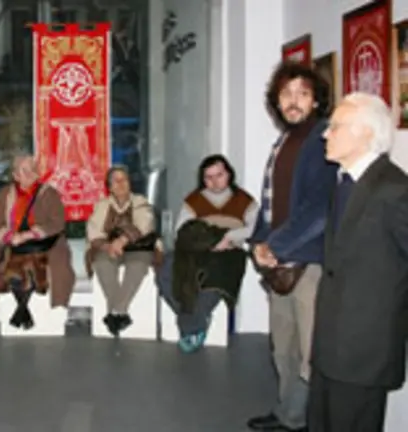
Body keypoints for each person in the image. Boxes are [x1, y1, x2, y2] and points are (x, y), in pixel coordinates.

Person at [308, 93, 408, 431]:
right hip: (331, 344)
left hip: (365, 349)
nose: (326, 134)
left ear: (365, 133)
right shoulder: (345, 182)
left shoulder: (394, 189)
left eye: (335, 127)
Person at [246, 61, 337, 432]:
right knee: (282, 346)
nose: (293, 101)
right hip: (279, 262)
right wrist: (258, 243)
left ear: (316, 100)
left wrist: (275, 245)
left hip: (309, 263)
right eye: (285, 93)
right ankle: (289, 414)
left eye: (302, 92)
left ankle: (309, 420)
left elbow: (320, 208)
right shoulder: (282, 143)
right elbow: (271, 204)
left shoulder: (323, 140)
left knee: (310, 354)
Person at [157, 155, 257, 353]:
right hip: (197, 249)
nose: (214, 181)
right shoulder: (194, 201)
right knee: (167, 269)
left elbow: (253, 228)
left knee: (215, 280)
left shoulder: (244, 201)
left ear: (228, 174)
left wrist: (228, 238)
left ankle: (192, 327)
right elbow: (181, 230)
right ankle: (195, 320)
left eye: (219, 175)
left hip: (229, 250)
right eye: (208, 177)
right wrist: (209, 242)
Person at [0, 155, 75, 328]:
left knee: (57, 264)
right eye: (25, 170)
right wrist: (9, 236)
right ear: (15, 175)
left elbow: (57, 222)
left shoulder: (49, 192)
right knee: (4, 266)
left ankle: (38, 309)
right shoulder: (6, 194)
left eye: (32, 168)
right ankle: (22, 311)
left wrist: (29, 235)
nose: (31, 173)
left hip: (44, 242)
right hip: (14, 243)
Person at [86, 166, 156, 336]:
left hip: (137, 247)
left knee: (138, 265)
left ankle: (116, 311)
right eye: (116, 181)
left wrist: (123, 240)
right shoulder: (102, 205)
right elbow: (93, 231)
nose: (121, 184)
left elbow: (145, 223)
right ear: (109, 187)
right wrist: (108, 246)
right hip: (109, 248)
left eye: (124, 179)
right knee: (102, 262)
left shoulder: (140, 201)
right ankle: (120, 314)